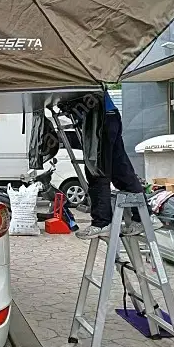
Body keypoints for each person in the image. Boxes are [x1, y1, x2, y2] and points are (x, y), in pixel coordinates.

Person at [75, 90, 145, 240]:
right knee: (120, 170)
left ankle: (102, 223)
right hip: (109, 115)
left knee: (97, 169)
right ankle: (144, 217)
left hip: (101, 117)